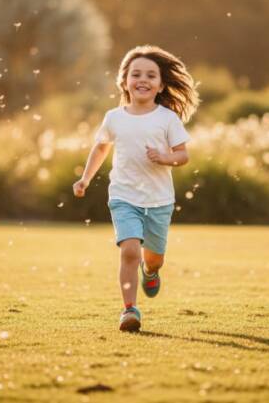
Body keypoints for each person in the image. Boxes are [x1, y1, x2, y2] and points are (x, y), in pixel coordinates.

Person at [73, 45, 200, 332]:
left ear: (161, 85)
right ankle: (129, 310)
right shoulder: (114, 117)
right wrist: (85, 178)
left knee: (153, 258)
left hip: (159, 200)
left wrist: (166, 157)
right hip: (123, 196)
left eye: (151, 75)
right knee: (129, 250)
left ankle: (150, 271)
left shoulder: (167, 118)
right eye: (136, 74)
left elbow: (183, 155)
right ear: (124, 81)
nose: (143, 79)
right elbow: (101, 147)